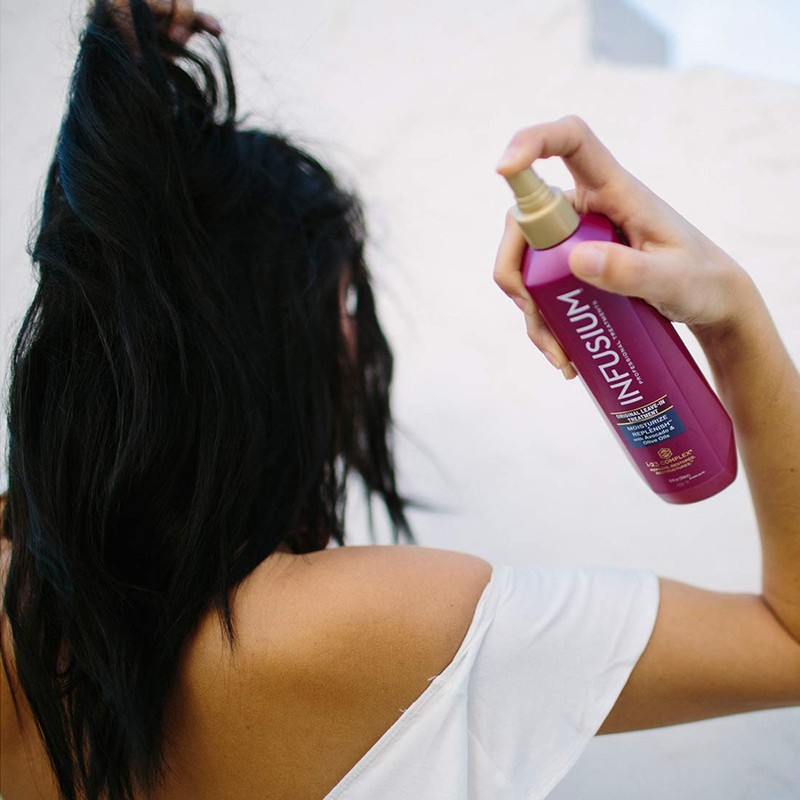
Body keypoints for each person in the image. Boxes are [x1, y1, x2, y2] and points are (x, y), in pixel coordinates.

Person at [1, 1, 798, 798]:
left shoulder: (18, 596)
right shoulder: (392, 626)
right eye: (344, 305)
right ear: (265, 344)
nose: (355, 341)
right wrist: (732, 314)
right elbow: (791, 640)